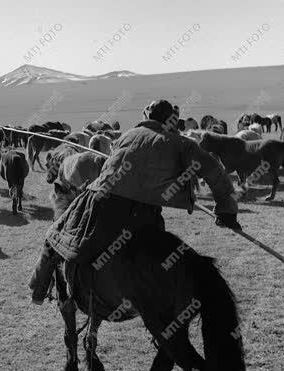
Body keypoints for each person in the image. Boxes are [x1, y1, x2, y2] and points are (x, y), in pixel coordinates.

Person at [29, 99, 241, 304]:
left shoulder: (128, 135)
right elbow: (215, 171)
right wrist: (227, 211)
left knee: (55, 234)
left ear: (147, 116)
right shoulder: (183, 144)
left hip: (102, 204)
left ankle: (39, 289)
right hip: (145, 214)